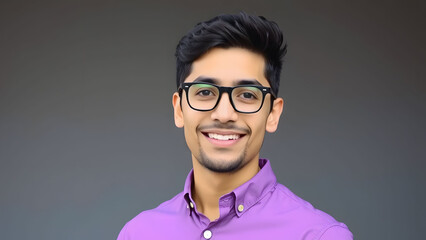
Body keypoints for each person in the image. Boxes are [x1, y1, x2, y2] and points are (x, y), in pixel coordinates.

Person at [117, 12, 353, 240]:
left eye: (247, 95)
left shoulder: (320, 235)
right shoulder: (138, 233)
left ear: (273, 113)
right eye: (206, 92)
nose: (224, 114)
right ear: (179, 109)